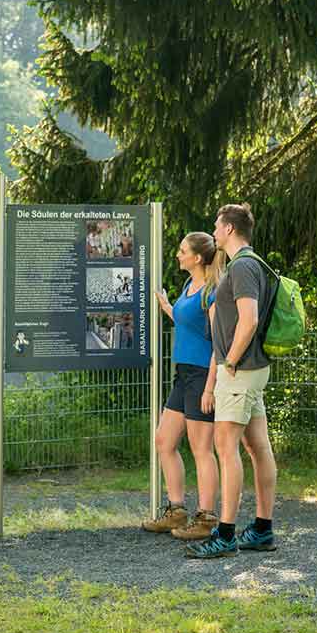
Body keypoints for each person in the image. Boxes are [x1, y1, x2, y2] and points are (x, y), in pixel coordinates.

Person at [185, 203, 278, 558]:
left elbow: (249, 320)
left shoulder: (242, 267)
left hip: (239, 371)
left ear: (228, 229)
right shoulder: (251, 263)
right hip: (251, 370)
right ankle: (262, 529)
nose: (213, 231)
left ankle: (225, 534)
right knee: (257, 447)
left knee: (226, 448)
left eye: (216, 225)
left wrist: (231, 361)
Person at [141, 231, 224, 541]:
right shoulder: (190, 285)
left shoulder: (212, 292)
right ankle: (176, 511)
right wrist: (167, 307)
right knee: (164, 440)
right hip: (183, 374)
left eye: (182, 251)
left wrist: (210, 388)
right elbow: (187, 322)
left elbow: (219, 343)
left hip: (203, 376)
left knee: (202, 449)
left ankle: (206, 518)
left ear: (198, 258)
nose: (178, 255)